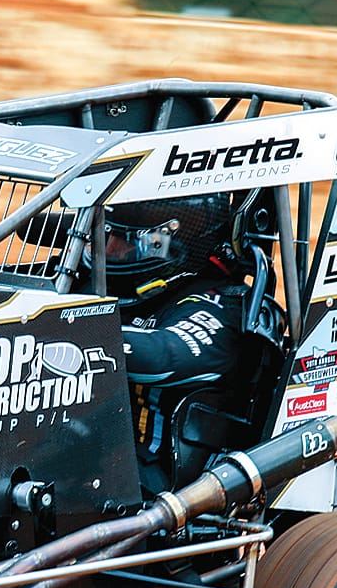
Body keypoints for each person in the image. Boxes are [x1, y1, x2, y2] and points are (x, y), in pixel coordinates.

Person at [101, 194, 261, 492]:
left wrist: (69, 334)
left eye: (124, 240)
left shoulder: (218, 307)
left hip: (152, 487)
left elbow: (162, 354)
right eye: (106, 234)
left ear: (167, 246)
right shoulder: (112, 286)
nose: (109, 249)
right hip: (93, 448)